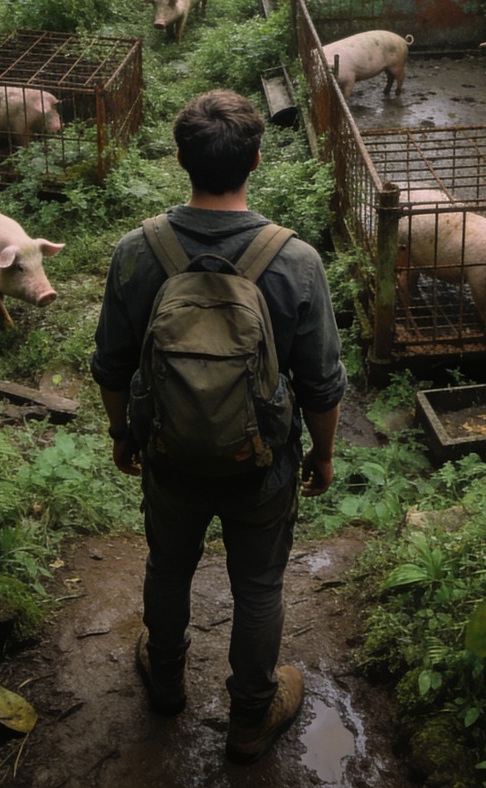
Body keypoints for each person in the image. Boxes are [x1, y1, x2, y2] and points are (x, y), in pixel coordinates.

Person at [92, 88, 346, 765]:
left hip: (169, 455)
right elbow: (321, 384)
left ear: (180, 159)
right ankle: (250, 719)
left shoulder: (137, 252)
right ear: (257, 159)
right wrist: (321, 456)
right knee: (258, 587)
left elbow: (111, 364)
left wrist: (125, 436)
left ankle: (168, 680)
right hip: (261, 463)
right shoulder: (295, 261)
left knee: (168, 567)